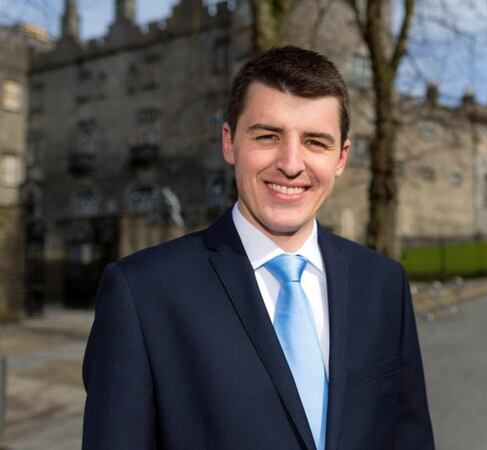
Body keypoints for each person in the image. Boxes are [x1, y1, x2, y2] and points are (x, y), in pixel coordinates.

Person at [82, 47, 434, 450]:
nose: (290, 163)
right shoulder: (142, 293)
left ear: (341, 157)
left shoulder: (384, 283)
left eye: (316, 142)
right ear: (229, 143)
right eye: (268, 136)